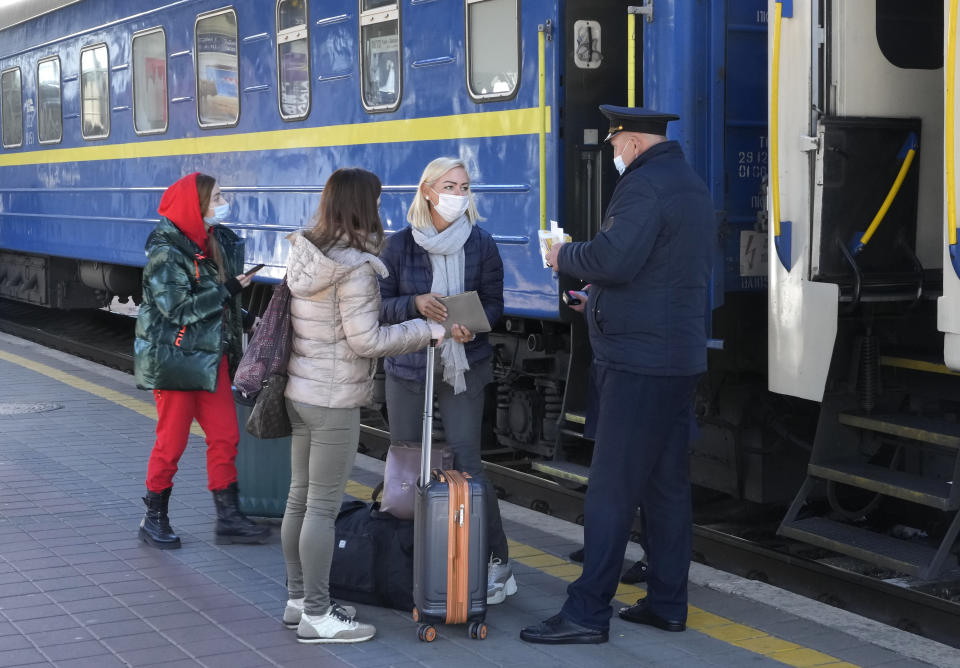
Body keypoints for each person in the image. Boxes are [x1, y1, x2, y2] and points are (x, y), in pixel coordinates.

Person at [520, 105, 716, 644]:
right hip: (676, 358)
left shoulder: (643, 186)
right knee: (665, 488)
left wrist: (564, 255)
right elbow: (661, 272)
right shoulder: (689, 183)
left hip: (639, 362)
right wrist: (599, 302)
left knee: (610, 489)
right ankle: (667, 602)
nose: (612, 154)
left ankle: (586, 613)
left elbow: (613, 258)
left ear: (629, 142)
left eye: (613, 145)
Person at [281, 167, 445, 644]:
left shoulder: (308, 253)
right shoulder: (354, 267)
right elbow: (366, 340)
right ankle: (316, 613)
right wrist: (425, 332)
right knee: (322, 508)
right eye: (375, 200)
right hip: (333, 401)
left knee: (300, 496)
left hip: (300, 392)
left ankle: (298, 600)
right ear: (362, 206)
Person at [378, 156, 515, 604]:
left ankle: (497, 563)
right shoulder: (399, 246)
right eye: (450, 186)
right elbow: (380, 306)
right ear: (427, 191)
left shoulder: (481, 243)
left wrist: (473, 326)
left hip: (463, 364)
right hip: (410, 364)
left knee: (468, 463)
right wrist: (415, 303)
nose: (459, 194)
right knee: (405, 463)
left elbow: (494, 304)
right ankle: (406, 558)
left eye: (464, 186)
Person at [135, 172, 271, 550]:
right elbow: (176, 309)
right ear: (195, 206)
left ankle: (227, 517)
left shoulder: (212, 242)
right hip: (177, 362)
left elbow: (216, 303)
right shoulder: (166, 251)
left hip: (212, 358)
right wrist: (229, 290)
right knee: (171, 444)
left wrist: (244, 317)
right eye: (217, 198)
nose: (223, 204)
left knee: (226, 437)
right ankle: (154, 517)